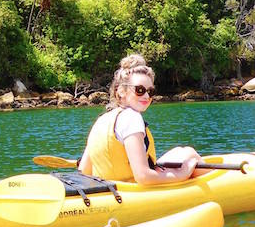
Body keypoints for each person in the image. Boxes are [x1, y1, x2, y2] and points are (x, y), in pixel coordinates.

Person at [77, 54, 207, 184]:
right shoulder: (132, 118)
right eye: (139, 90)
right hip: (130, 192)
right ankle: (219, 186)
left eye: (150, 91)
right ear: (122, 91)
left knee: (182, 152)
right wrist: (181, 174)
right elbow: (143, 176)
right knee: (190, 155)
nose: (146, 96)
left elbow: (84, 170)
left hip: (108, 188)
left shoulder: (102, 119)